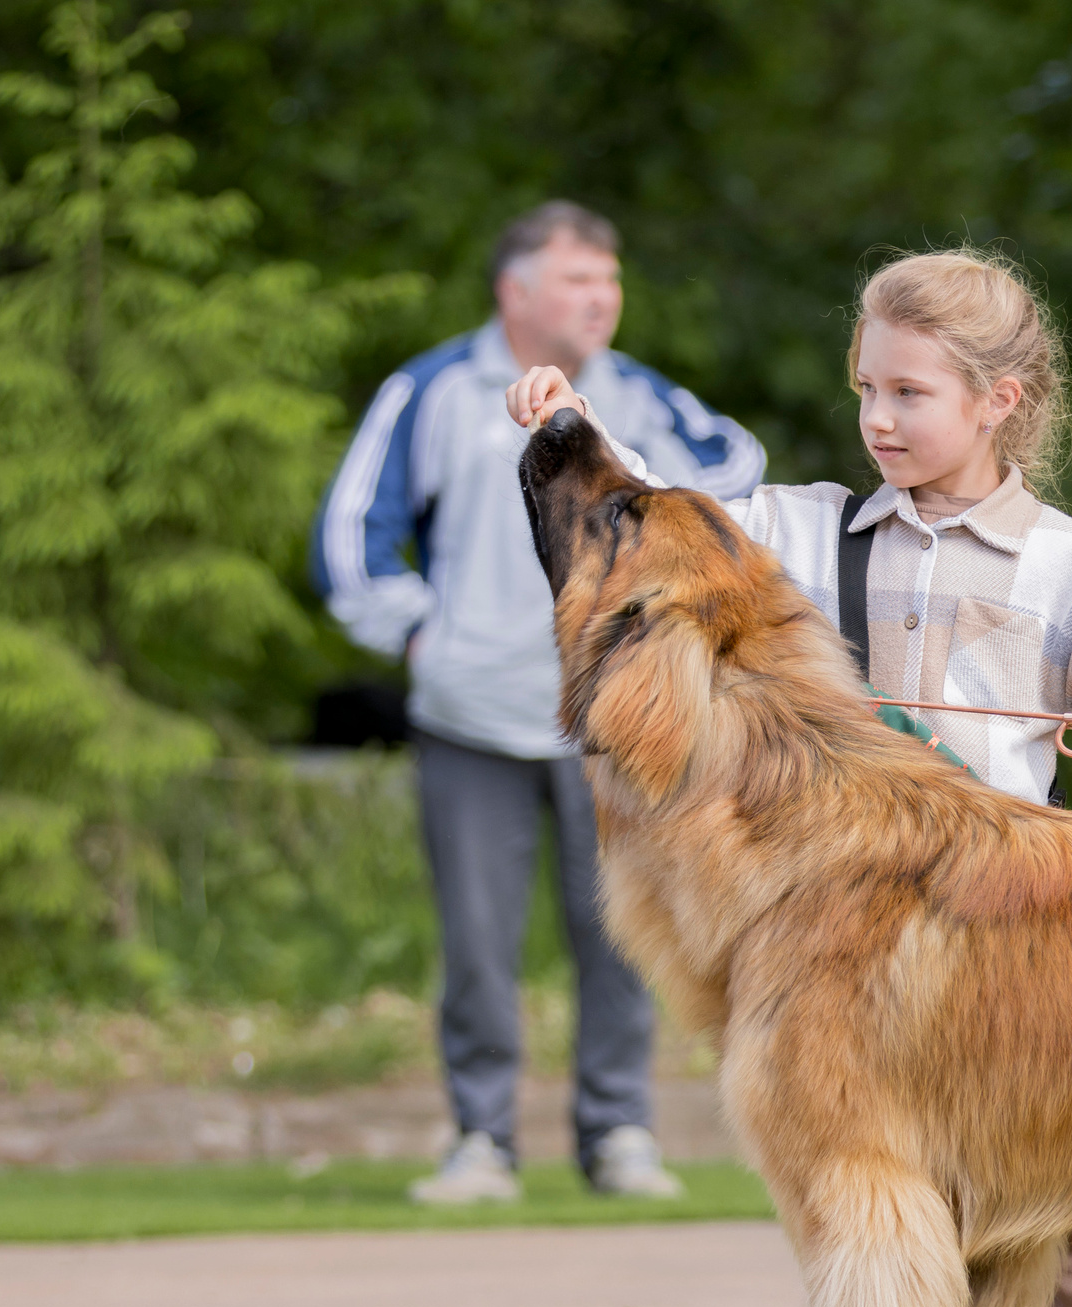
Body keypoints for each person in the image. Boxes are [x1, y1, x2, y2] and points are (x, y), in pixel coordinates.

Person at [504, 249, 1072, 1307]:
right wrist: (569, 426)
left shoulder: (1061, 559)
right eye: (865, 390)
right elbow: (660, 516)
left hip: (1018, 935)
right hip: (857, 933)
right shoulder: (808, 530)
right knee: (866, 1219)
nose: (878, 419)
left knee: (1065, 1235)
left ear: (1000, 401)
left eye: (910, 393)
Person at [313, 201, 766, 1205]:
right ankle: (481, 1142)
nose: (602, 298)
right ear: (513, 291)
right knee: (478, 946)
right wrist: (421, 634)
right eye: (577, 280)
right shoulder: (432, 390)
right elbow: (350, 535)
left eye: (610, 279)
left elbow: (739, 474)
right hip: (472, 718)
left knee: (625, 934)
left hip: (614, 723)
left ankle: (620, 1136)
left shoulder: (637, 395)